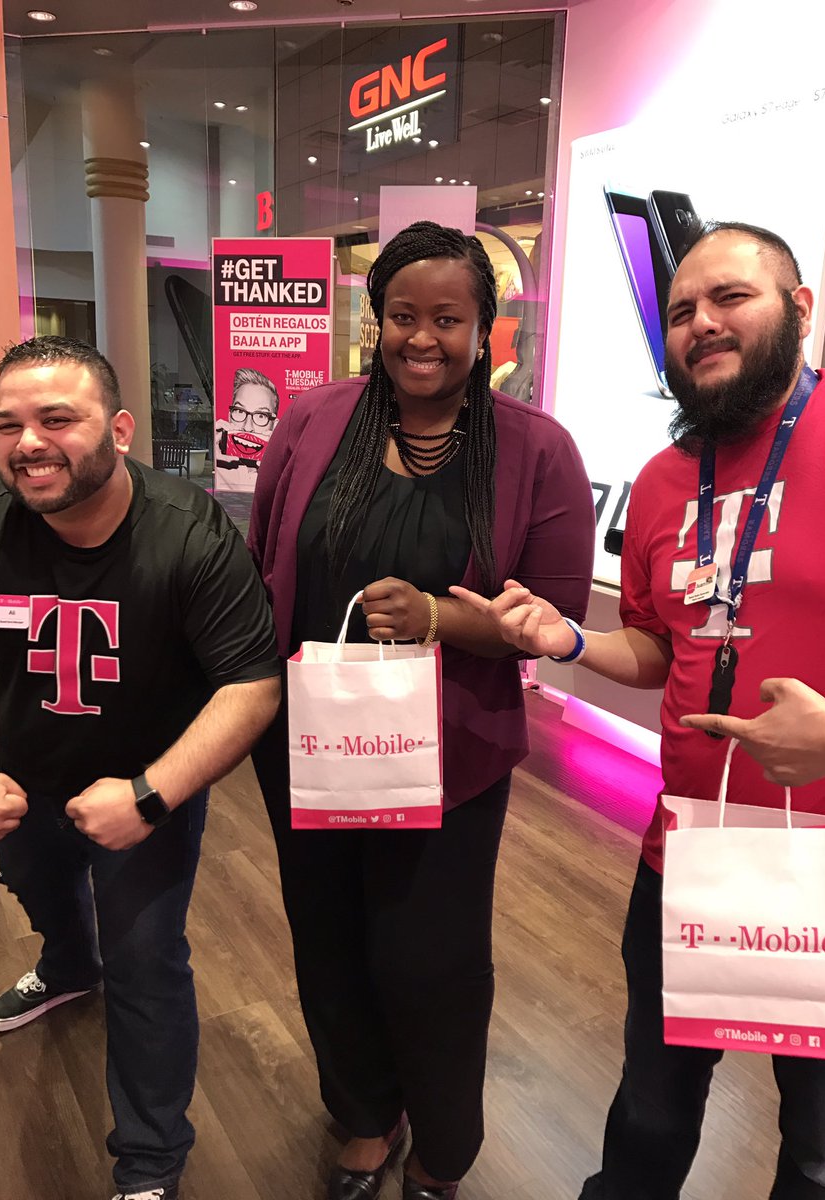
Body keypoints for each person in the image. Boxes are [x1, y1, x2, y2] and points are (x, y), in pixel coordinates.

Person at [452, 220, 825, 1199]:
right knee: (652, 1106)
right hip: (686, 857)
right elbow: (660, 649)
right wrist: (566, 640)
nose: (701, 323)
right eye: (681, 312)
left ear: (800, 310)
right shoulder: (666, 479)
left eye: (731, 298)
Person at [247, 220, 595, 1200]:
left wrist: (443, 618)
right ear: (377, 322)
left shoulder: (536, 449)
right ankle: (365, 1114)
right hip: (310, 739)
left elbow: (554, 619)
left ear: (486, 329)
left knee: (428, 961)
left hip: (448, 755)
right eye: (403, 316)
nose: (423, 338)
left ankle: (444, 1143)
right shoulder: (312, 419)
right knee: (327, 940)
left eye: (449, 318)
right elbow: (264, 559)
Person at [0, 335, 282, 1200]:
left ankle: (149, 1164)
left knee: (147, 964)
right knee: (35, 886)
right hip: (27, 774)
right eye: (8, 424)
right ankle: (70, 968)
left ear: (121, 429)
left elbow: (252, 684)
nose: (29, 442)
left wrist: (149, 797)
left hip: (149, 787)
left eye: (57, 419)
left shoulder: (188, 532)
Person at [215, 367, 280, 489]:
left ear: (275, 426)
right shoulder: (218, 465)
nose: (248, 427)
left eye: (261, 415)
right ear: (229, 417)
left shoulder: (284, 473)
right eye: (240, 411)